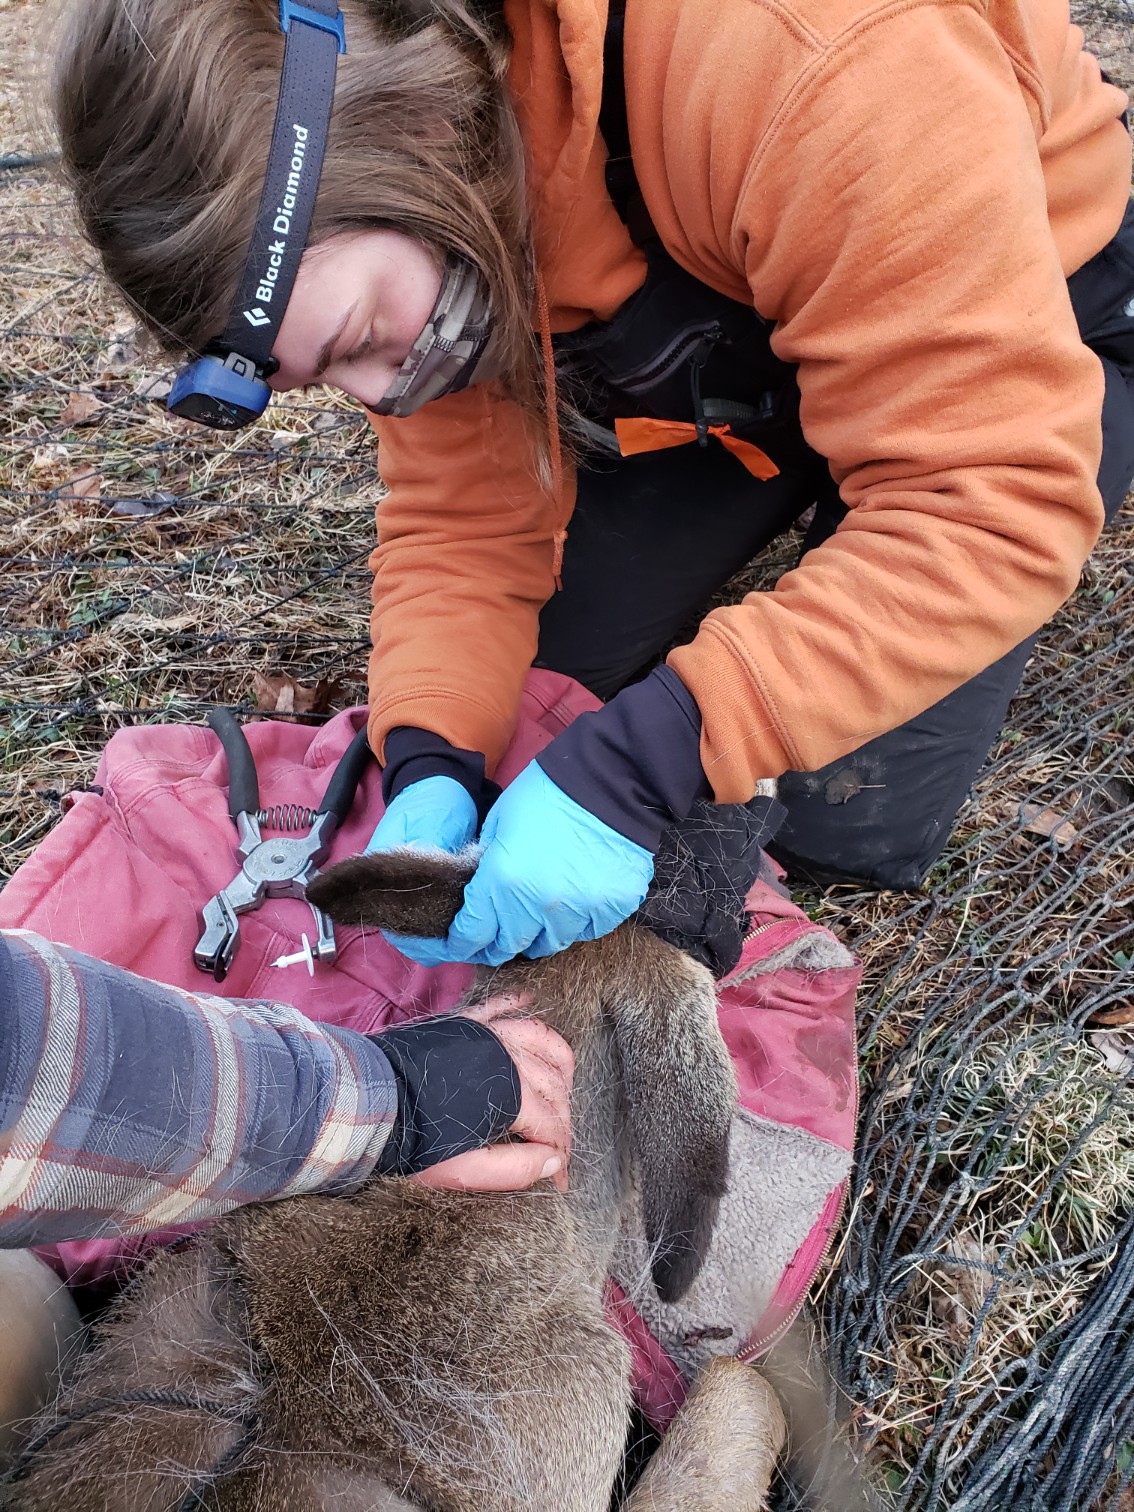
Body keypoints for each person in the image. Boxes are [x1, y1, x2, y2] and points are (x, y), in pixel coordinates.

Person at [51, 0, 1133, 965]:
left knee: (823, 817)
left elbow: (990, 495)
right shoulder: (467, 143)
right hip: (742, 343)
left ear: (420, 136)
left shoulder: (805, 53)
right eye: (326, 377)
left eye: (360, 338)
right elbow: (462, 516)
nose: (380, 396)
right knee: (545, 705)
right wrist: (430, 759)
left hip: (1023, 318)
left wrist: (659, 752)